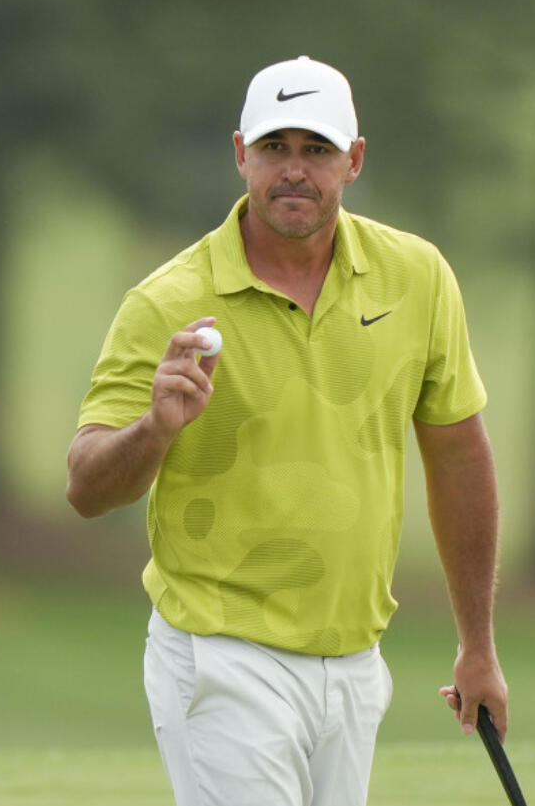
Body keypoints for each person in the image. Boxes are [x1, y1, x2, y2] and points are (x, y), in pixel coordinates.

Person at [66, 55, 507, 806]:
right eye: (275, 148)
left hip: (355, 661)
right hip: (219, 656)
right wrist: (154, 429)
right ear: (240, 153)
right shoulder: (168, 301)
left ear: (354, 160)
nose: (294, 171)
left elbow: (459, 456)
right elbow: (84, 484)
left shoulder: (418, 278)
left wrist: (477, 646)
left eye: (316, 150)